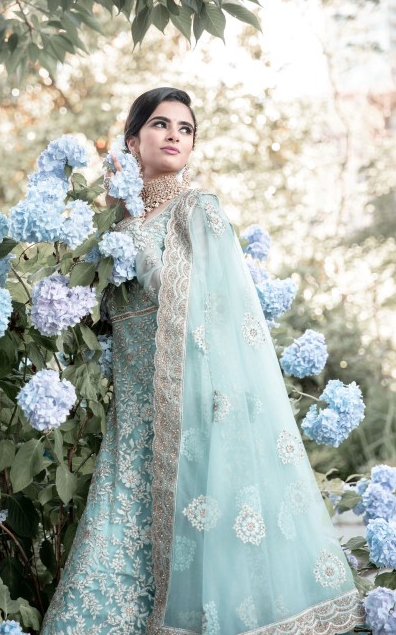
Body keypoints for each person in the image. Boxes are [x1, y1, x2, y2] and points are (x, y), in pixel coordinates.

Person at [41, 87, 365, 635]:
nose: (173, 135)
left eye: (185, 129)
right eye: (161, 124)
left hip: (192, 407)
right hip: (132, 417)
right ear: (132, 139)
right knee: (114, 543)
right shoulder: (107, 223)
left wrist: (136, 255)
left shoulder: (197, 209)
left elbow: (219, 308)